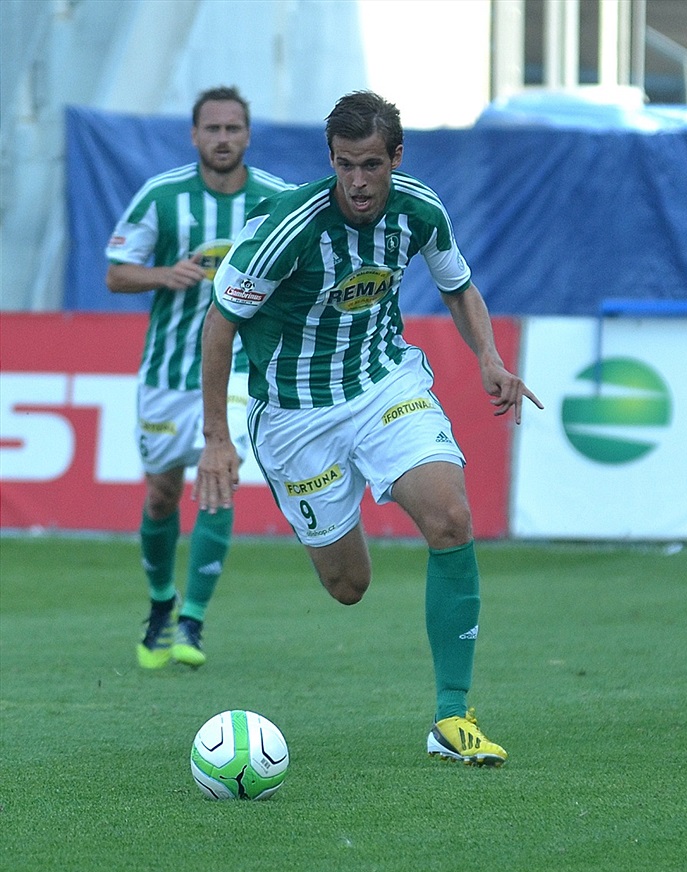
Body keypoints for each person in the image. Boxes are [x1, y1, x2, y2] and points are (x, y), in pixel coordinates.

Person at [194, 90, 543, 764]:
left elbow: (457, 285)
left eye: (372, 165)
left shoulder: (418, 208)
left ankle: (452, 716)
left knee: (451, 518)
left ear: (397, 158)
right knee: (349, 586)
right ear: (330, 160)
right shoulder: (287, 228)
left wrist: (490, 359)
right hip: (296, 417)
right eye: (346, 165)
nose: (358, 182)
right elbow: (219, 325)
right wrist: (216, 436)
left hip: (384, 383)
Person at [105, 86, 293, 670]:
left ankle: (194, 622)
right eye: (212, 129)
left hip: (240, 371)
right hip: (167, 373)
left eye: (233, 128)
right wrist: (165, 274)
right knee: (162, 495)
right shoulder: (163, 196)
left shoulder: (277, 200)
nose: (222, 139)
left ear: (248, 134)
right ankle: (163, 604)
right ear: (194, 135)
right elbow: (116, 275)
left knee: (220, 477)